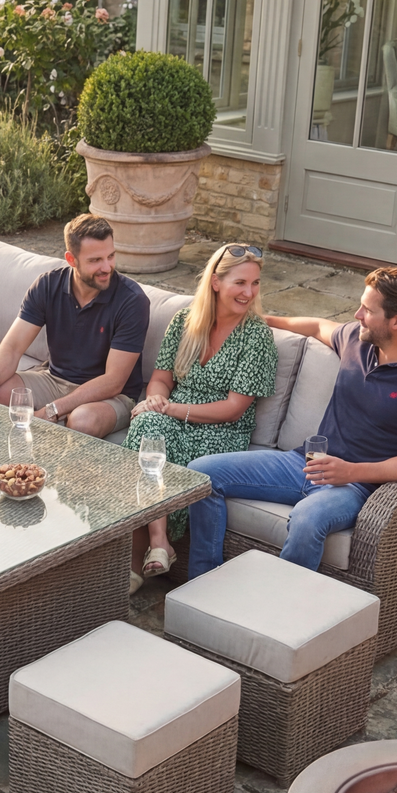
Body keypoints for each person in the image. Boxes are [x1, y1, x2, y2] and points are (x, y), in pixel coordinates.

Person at [186, 266, 397, 577]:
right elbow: (318, 326)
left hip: (355, 485)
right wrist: (262, 322)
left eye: (367, 310)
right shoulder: (359, 342)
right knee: (202, 474)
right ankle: (203, 580)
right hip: (305, 462)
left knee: (307, 519)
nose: (357, 315)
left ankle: (281, 617)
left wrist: (351, 472)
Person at [126, 244, 277, 593]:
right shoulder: (185, 321)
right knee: (148, 429)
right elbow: (162, 377)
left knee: (150, 437)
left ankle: (137, 560)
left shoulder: (257, 336)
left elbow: (234, 407)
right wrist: (156, 399)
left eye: (254, 284)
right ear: (215, 282)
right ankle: (159, 542)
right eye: (240, 283)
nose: (248, 292)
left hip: (221, 432)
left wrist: (170, 409)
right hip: (173, 419)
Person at [0, 214, 150, 439]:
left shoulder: (132, 301)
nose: (107, 267)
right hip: (54, 380)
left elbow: (113, 381)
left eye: (110, 256)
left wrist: (52, 410)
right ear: (71, 259)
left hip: (110, 396)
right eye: (95, 260)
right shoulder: (47, 285)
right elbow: (13, 347)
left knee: (82, 421)